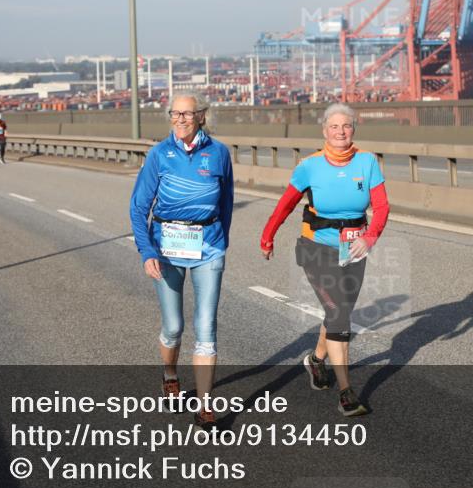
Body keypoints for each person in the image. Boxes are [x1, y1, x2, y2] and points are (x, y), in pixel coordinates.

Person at [260, 103, 389, 417]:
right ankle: (346, 392)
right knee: (338, 313)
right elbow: (286, 204)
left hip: (354, 249)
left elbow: (382, 207)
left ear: (353, 129)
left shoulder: (368, 162)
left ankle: (316, 361)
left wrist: (370, 237)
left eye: (346, 126)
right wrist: (268, 235)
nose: (341, 132)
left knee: (338, 312)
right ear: (324, 131)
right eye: (334, 126)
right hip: (316, 248)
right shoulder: (309, 166)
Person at [129, 92, 234, 431]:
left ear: (201, 116)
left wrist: (221, 240)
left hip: (209, 247)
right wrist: (147, 252)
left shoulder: (218, 153)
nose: (181, 119)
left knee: (206, 328)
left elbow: (227, 202)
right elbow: (138, 207)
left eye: (188, 114)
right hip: (167, 248)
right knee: (173, 327)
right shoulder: (159, 155)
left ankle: (205, 406)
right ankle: (170, 374)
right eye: (176, 114)